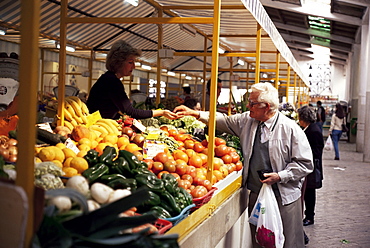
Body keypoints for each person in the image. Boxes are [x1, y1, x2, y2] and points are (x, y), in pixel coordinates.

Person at [174, 82, 313, 247]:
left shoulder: (290, 129)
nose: (248, 106)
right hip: (257, 196)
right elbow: (223, 120)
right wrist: (196, 114)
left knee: (287, 241)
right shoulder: (247, 120)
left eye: (252, 103)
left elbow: (305, 163)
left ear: (266, 106)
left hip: (284, 198)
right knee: (260, 240)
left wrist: (280, 176)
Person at [86, 40, 177, 120]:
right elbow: (130, 111)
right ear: (118, 62)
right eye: (130, 62)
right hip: (96, 126)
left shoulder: (108, 78)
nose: (133, 66)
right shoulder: (112, 82)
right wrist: (161, 112)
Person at [297, 105, 324, 229]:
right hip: (309, 167)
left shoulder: (313, 131)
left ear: (303, 118)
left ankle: (309, 217)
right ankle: (308, 216)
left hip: (312, 168)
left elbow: (316, 152)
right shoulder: (310, 129)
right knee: (308, 192)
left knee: (309, 193)